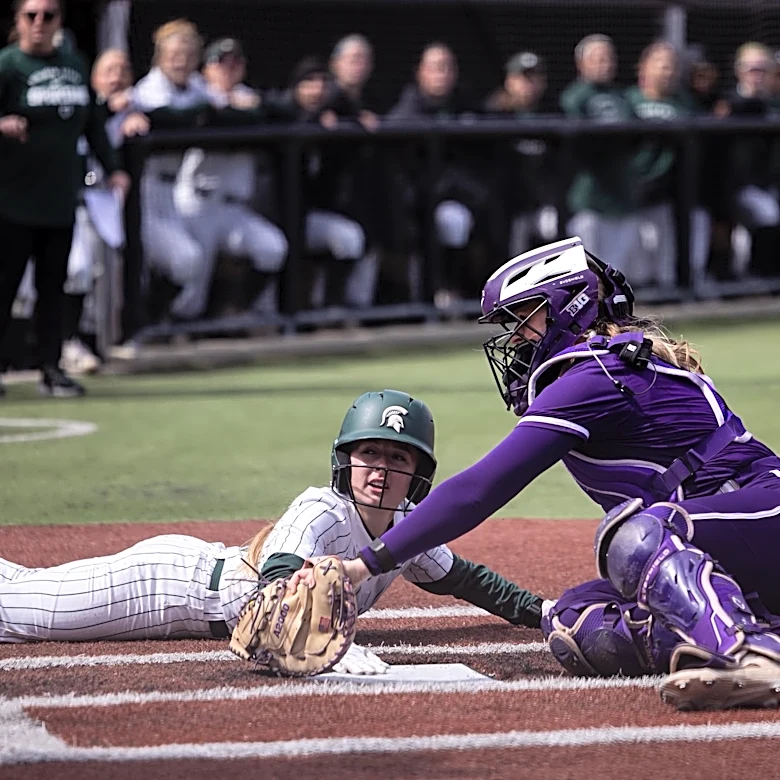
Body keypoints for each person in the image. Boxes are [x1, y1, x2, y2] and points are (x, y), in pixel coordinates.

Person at [297, 237, 780, 708]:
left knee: (635, 538)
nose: (515, 339)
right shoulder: (602, 370)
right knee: (575, 621)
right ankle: (755, 629)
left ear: (570, 306)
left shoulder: (597, 375)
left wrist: (365, 563)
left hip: (763, 510)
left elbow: (480, 488)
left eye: (524, 320)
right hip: (739, 543)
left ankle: (749, 655)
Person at [0, 389, 543, 674]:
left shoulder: (406, 531)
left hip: (190, 593)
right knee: (25, 613)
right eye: (368, 452)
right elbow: (279, 576)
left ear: (418, 475)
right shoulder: (320, 511)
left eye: (397, 458)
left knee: (23, 589)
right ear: (345, 461)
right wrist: (317, 638)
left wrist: (541, 613)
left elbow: (465, 579)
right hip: (167, 587)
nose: (379, 469)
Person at [0, 0, 130, 398]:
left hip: (59, 199)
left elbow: (91, 122)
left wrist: (113, 167)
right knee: (4, 287)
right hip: (12, 200)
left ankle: (50, 368)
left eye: (49, 15)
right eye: (31, 15)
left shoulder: (74, 64)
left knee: (53, 289)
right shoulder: (8, 65)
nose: (40, 23)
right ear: (18, 21)